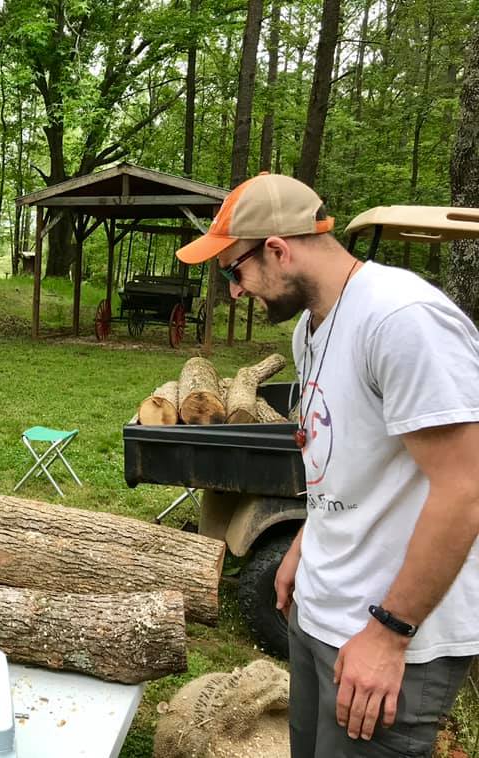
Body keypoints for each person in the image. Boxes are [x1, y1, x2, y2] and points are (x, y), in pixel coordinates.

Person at [175, 173, 479, 757]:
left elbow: (464, 489)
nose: (234, 291)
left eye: (232, 272)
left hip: (391, 642)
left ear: (277, 250)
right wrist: (304, 547)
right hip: (324, 613)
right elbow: (348, 463)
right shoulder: (310, 332)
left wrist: (390, 634)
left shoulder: (401, 320)